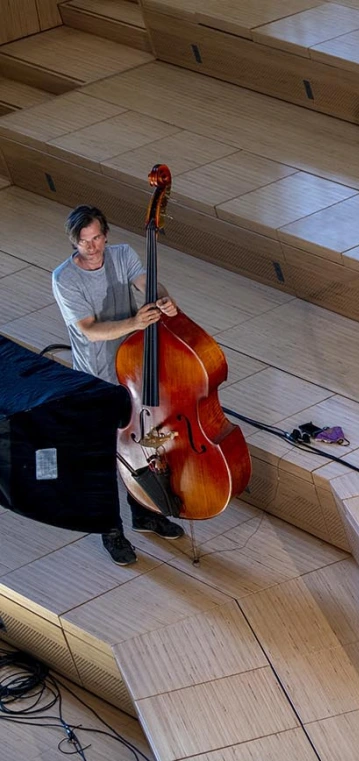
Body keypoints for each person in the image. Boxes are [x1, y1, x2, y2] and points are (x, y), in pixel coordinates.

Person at [51, 205, 185, 565]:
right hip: (97, 377)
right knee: (104, 458)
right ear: (74, 243)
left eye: (96, 238)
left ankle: (143, 512)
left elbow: (148, 284)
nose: (92, 247)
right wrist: (135, 322)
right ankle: (110, 530)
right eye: (84, 242)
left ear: (106, 236)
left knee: (143, 447)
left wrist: (162, 299)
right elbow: (90, 331)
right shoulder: (64, 278)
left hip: (135, 370)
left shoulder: (122, 254)